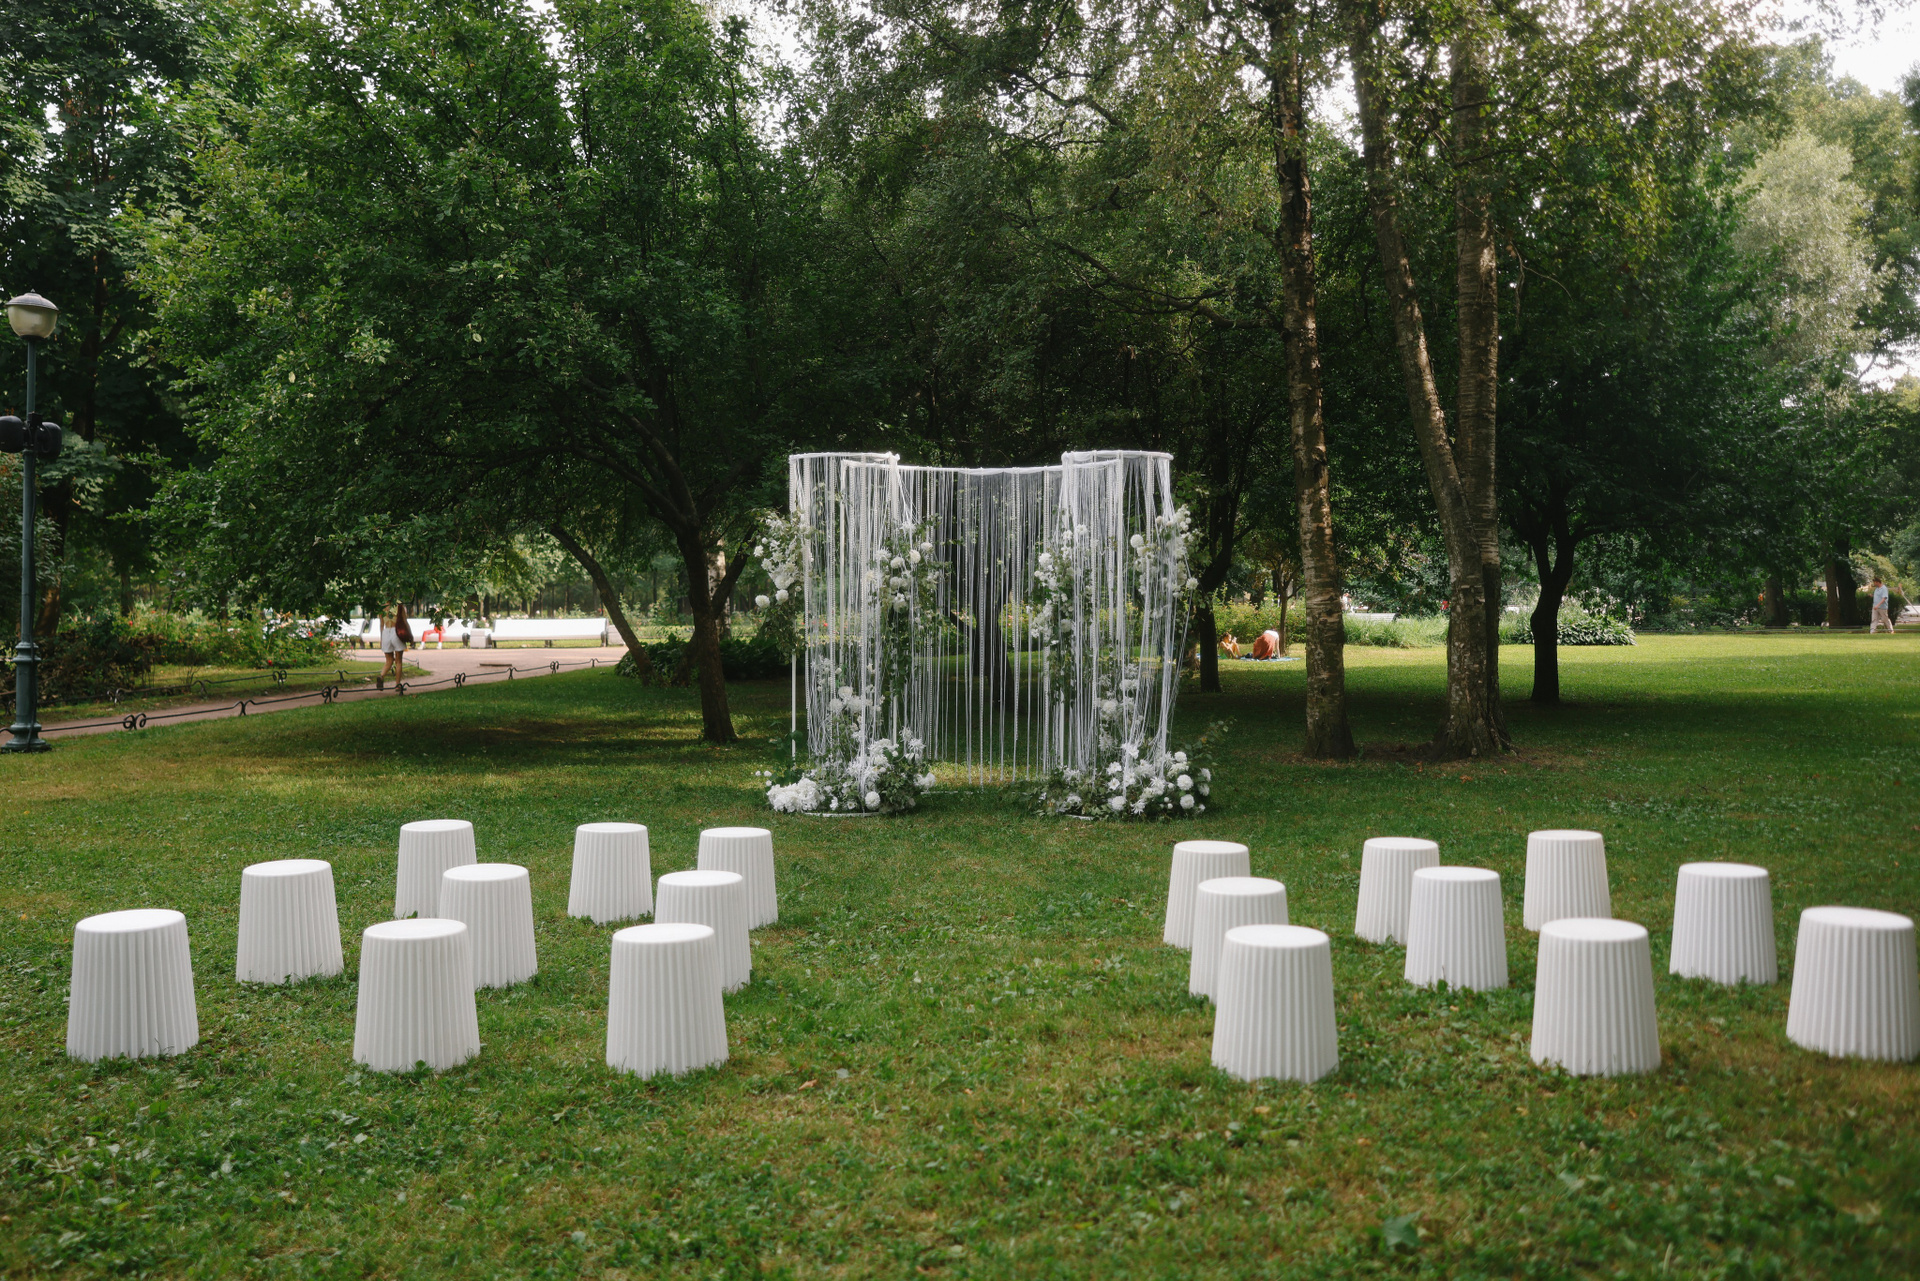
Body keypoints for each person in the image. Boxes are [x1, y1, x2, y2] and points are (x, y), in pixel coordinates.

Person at [379, 602, 410, 688]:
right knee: (398, 661)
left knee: (389, 661)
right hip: (396, 632)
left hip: (385, 632)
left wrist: (381, 639)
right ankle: (397, 685)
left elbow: (381, 625)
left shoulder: (381, 607)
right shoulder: (399, 606)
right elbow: (405, 621)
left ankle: (381, 676)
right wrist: (410, 635)